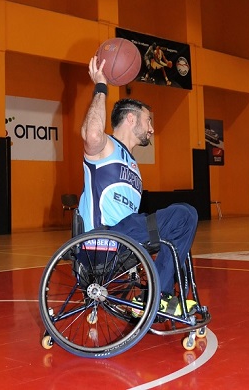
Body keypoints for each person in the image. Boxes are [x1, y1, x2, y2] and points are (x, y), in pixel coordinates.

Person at [78, 55, 198, 317]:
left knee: (183, 219)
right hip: (104, 238)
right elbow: (92, 134)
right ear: (131, 119)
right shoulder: (106, 147)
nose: (151, 129)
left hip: (127, 240)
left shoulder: (132, 165)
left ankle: (163, 296)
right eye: (148, 121)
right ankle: (159, 297)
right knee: (184, 213)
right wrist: (101, 85)